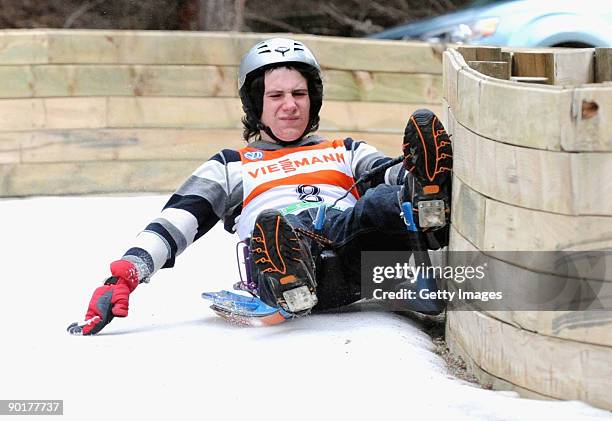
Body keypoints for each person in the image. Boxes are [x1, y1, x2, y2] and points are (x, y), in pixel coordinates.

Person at [75, 37, 452, 335]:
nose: (290, 105)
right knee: (279, 230)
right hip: (282, 251)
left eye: (299, 94)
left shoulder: (345, 150)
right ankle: (291, 280)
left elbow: (386, 173)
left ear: (313, 99)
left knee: (384, 200)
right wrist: (123, 277)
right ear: (256, 104)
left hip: (358, 251)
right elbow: (176, 223)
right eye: (276, 96)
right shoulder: (231, 165)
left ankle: (429, 207)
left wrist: (413, 173)